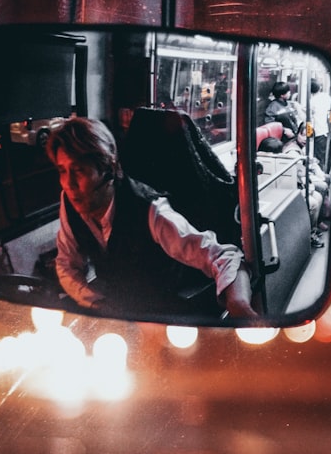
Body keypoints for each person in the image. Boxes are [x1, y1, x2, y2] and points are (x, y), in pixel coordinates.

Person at [47, 117, 258, 319]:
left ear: (108, 169)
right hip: (116, 310)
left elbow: (224, 257)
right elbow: (66, 262)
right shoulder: (70, 200)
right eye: (62, 171)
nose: (68, 183)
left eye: (79, 170)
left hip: (161, 312)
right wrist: (95, 303)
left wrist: (239, 305)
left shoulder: (152, 211)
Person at [308, 78, 331, 170]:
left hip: (319, 131)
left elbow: (309, 118)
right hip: (328, 130)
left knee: (319, 156)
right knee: (327, 155)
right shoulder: (327, 97)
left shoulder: (312, 101)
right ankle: (326, 173)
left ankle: (321, 175)